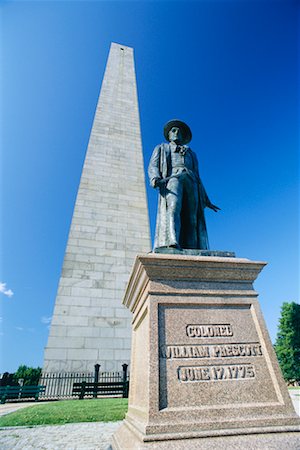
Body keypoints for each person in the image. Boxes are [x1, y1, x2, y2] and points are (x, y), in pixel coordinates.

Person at [148, 119, 219, 250]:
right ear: (169, 135)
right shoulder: (162, 148)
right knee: (174, 207)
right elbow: (153, 165)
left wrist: (206, 199)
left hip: (191, 181)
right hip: (173, 178)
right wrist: (155, 178)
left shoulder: (192, 153)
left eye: (179, 131)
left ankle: (192, 245)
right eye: (173, 130)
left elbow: (198, 177)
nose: (176, 132)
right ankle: (172, 239)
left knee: (192, 215)